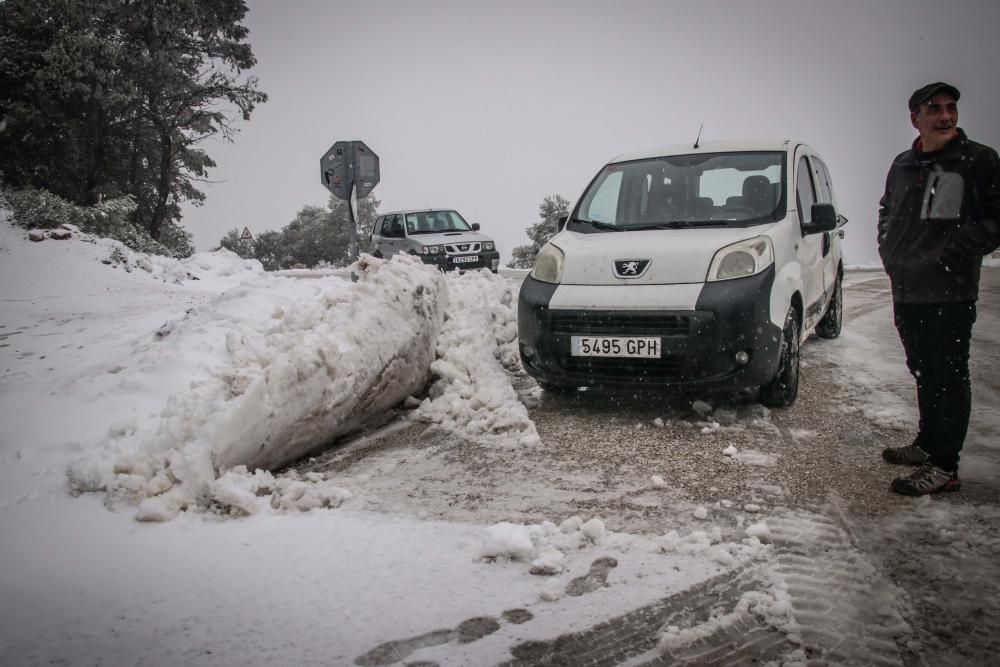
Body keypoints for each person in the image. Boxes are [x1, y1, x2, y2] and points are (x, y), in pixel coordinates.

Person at [877, 82, 1000, 495]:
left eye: (950, 108)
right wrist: (889, 253)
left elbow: (995, 220)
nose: (945, 116)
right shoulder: (903, 164)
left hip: (950, 290)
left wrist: (954, 253)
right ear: (916, 118)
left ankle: (945, 466)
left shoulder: (977, 160)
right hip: (908, 289)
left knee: (948, 375)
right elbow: (886, 209)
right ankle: (928, 444)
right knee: (923, 370)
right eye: (934, 109)